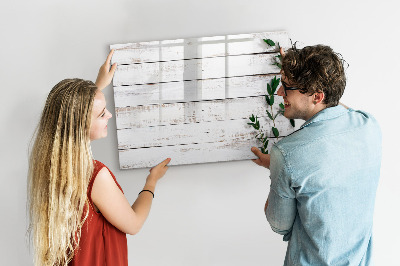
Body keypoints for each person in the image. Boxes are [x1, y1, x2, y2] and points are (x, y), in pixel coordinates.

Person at [27, 50, 171, 266]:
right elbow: (134, 224)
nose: (109, 116)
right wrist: (151, 181)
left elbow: (74, 113)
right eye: (102, 113)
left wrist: (97, 86)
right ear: (81, 124)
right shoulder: (95, 176)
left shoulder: (50, 165)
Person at [251, 44, 381, 265]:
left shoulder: (287, 153)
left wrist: (278, 169)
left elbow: (279, 225)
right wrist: (300, 76)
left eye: (287, 87)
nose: (280, 92)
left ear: (317, 96)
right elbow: (334, 106)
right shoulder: (369, 125)